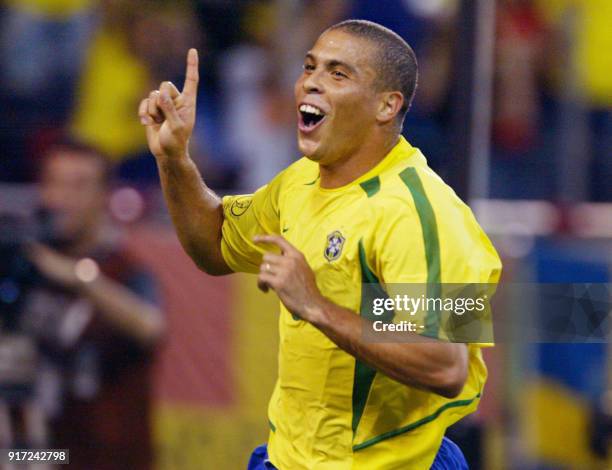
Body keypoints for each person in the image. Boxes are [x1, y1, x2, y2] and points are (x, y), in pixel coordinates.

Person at [139, 19, 501, 469]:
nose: (311, 82)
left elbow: (447, 365)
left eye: (337, 73)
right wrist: (174, 159)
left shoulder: (424, 214)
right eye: (309, 67)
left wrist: (316, 306)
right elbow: (214, 245)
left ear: (386, 105)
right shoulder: (301, 182)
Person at [20, 141, 164, 469]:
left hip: (106, 459)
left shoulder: (125, 270)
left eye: (79, 185)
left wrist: (80, 279)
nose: (63, 198)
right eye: (54, 183)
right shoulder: (25, 267)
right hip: (42, 454)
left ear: (104, 195)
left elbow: (153, 328)